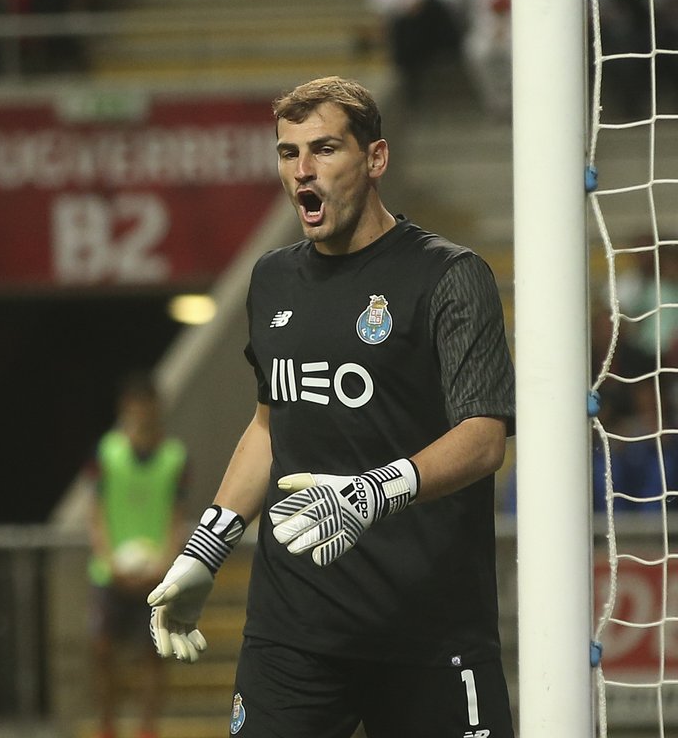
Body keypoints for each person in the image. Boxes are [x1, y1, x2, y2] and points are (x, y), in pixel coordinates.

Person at [147, 76, 516, 737]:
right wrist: (204, 550)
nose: (303, 171)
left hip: (429, 630)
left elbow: (484, 437)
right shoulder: (272, 279)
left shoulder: (449, 276)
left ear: (375, 158)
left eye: (323, 149)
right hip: (293, 633)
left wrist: (372, 493)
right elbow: (269, 426)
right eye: (288, 153)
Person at [87, 373, 188, 738]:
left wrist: (165, 561)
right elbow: (95, 511)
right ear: (124, 408)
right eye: (135, 405)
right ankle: (107, 724)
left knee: (154, 654)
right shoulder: (107, 452)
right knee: (102, 651)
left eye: (147, 405)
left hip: (155, 573)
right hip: (110, 572)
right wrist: (109, 559)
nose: (142, 413)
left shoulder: (174, 456)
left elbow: (177, 516)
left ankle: (147, 728)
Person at [367, 0, 472, 107]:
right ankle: (409, 76)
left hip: (445, 22)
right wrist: (408, 3)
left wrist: (424, 1)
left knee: (427, 10)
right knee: (406, 25)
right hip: (410, 21)